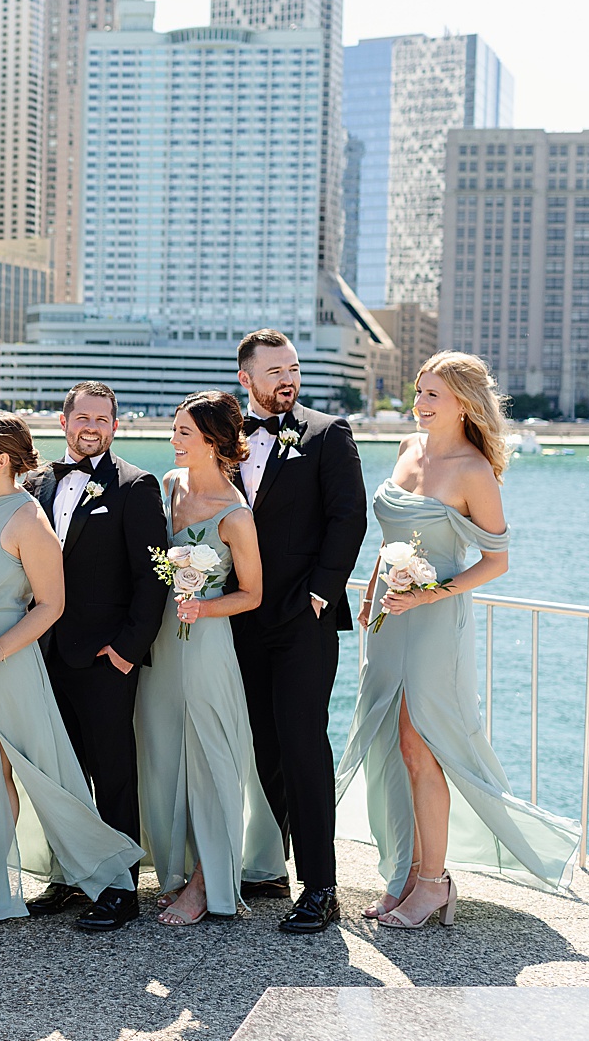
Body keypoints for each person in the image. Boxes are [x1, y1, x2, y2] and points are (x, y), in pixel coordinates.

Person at [337, 353, 579, 928]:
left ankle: (432, 883)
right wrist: (371, 600)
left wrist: (428, 595)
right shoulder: (407, 451)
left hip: (436, 624)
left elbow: (496, 561)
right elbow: (388, 543)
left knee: (422, 744)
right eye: (418, 392)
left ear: (464, 404)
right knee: (390, 743)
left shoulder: (474, 470)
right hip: (389, 623)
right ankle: (406, 871)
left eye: (432, 396)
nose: (419, 405)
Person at [0, 414, 143, 929]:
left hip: (3, 657)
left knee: (1, 769)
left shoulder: (29, 520)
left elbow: (51, 604)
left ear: (1, 460)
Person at [228, 329, 368, 934]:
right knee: (262, 745)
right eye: (275, 370)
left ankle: (321, 886)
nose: (288, 378)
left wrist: (319, 593)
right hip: (235, 619)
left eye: (294, 368)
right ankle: (270, 864)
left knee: (304, 744)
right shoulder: (223, 437)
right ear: (246, 378)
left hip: (302, 620)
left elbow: (349, 517)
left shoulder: (326, 433)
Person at [19, 381, 169, 931]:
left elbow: (154, 577)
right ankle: (68, 875)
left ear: (115, 425)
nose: (92, 427)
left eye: (103, 419)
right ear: (63, 423)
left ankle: (120, 886)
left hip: (104, 657)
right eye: (83, 417)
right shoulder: (34, 484)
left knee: (112, 770)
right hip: (39, 653)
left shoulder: (135, 486)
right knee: (60, 771)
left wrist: (128, 650)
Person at [137, 392, 287, 926]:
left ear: (214, 443)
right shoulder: (170, 487)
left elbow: (253, 594)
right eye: (174, 429)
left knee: (210, 758)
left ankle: (208, 881)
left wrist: (203, 606)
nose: (173, 440)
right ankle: (175, 870)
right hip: (160, 641)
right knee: (161, 752)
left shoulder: (235, 516)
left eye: (183, 433)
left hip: (206, 644)